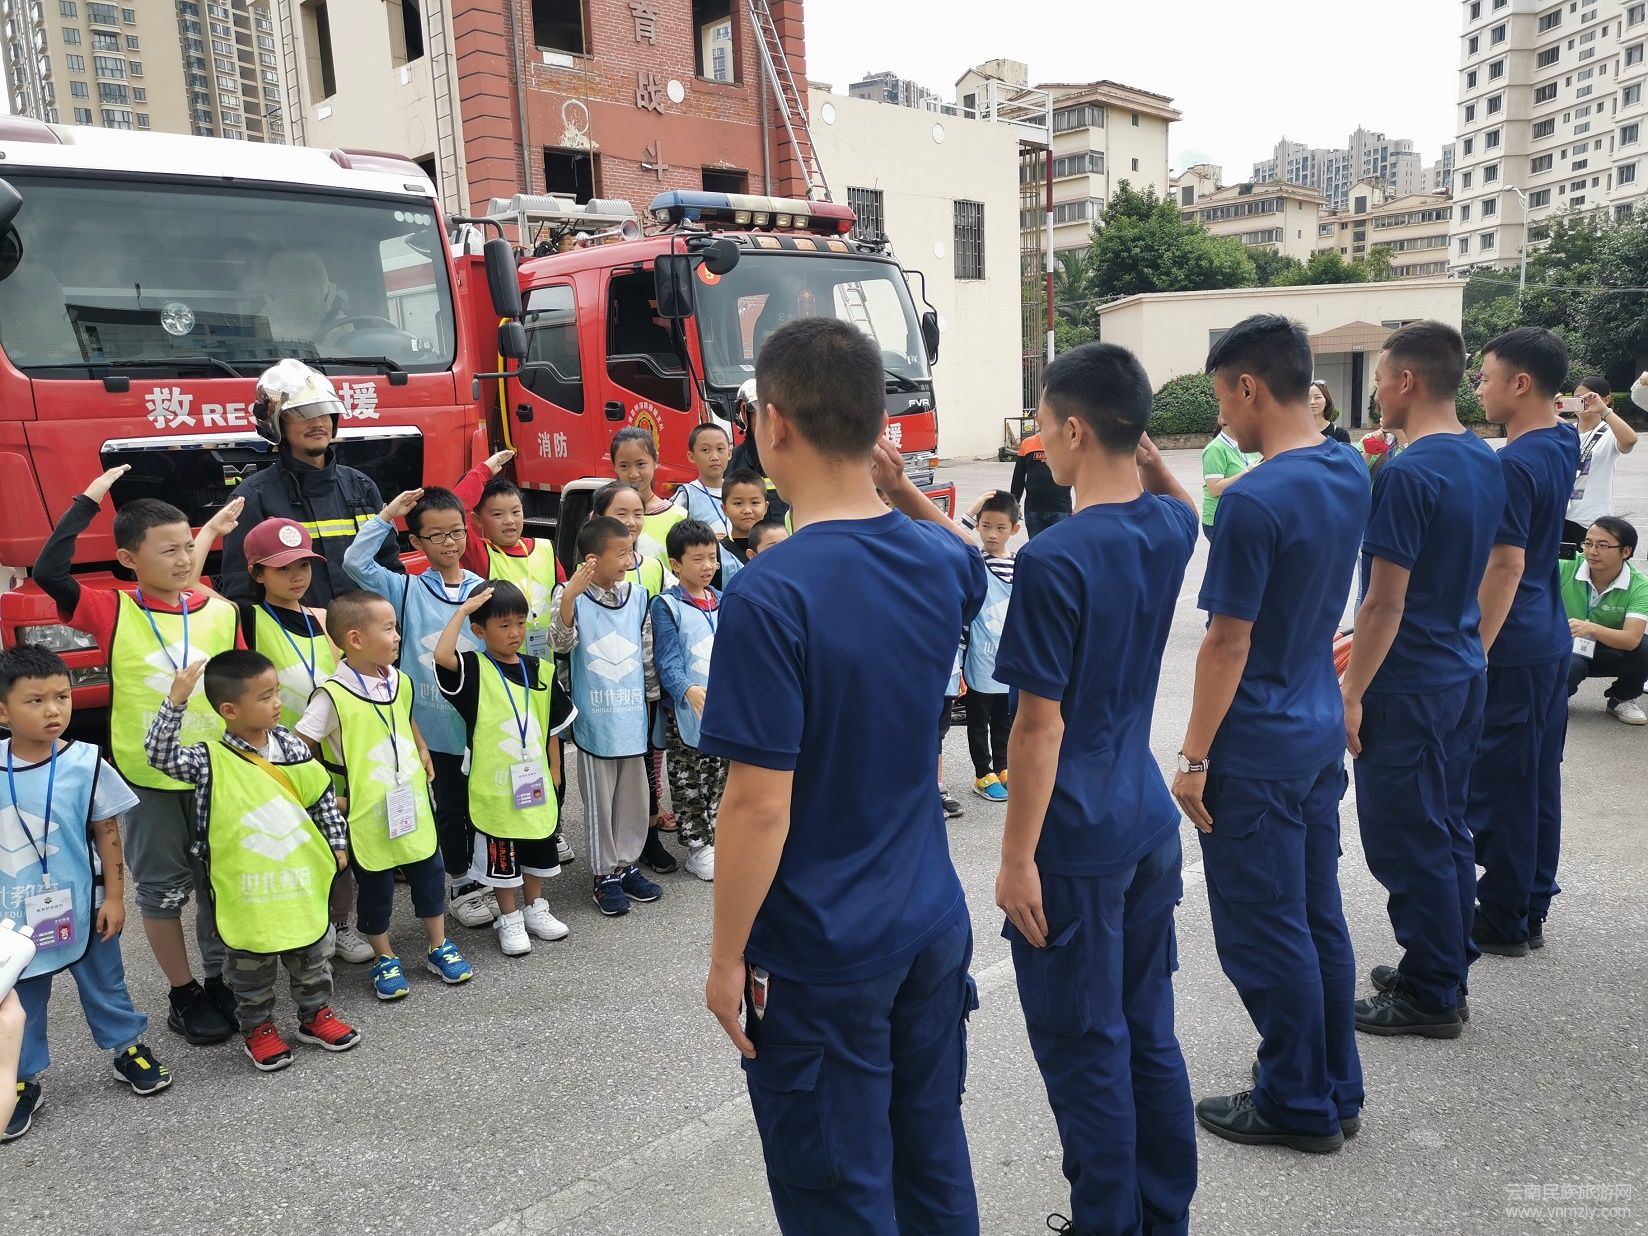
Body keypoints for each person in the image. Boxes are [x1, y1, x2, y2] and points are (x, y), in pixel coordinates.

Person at [701, 317, 986, 1234]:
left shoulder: (770, 591)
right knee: (930, 1156)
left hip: (824, 946)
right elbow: (973, 562)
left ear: (773, 424)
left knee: (837, 1187)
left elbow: (757, 805)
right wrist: (904, 494)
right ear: (877, 426)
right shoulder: (937, 560)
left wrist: (725, 957)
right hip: (928, 916)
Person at [993, 344, 1200, 1236]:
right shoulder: (1167, 530)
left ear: (1075, 430)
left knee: (1086, 1048)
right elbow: (1185, 507)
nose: (1040, 444)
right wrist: (1148, 458)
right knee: (1146, 1029)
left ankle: (1108, 1222)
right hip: (1143, 819)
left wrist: (1016, 861)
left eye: (1044, 428)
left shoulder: (1055, 558)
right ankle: (1162, 1213)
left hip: (1075, 839)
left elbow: (1038, 729)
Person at [1171, 314, 1369, 1155]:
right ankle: (1335, 1085)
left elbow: (1227, 642)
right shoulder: (1346, 467)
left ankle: (1295, 1101)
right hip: (1314, 727)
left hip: (1254, 746)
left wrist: (1193, 756)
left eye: (1222, 398)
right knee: (1317, 916)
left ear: (1249, 386)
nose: (1222, 415)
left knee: (1264, 930)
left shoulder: (1252, 500)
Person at [33, 466, 242, 1045]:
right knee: (162, 888)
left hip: (217, 770)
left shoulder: (221, 611)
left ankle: (221, 978)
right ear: (129, 559)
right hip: (148, 778)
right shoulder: (113, 609)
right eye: (167, 550)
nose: (182, 559)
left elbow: (241, 686)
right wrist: (87, 501)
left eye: (187, 547)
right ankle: (184, 991)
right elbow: (49, 571)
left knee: (219, 880)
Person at [1337, 322, 1504, 1040]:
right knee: (1444, 826)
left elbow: (1384, 601)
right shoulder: (1481, 457)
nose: (1376, 392)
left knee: (1408, 837)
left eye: (1379, 378)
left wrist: (1350, 693)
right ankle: (1443, 960)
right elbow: (1493, 564)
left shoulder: (1408, 473)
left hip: (1408, 684)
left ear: (1406, 381)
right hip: (1458, 669)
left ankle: (1433, 992)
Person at [146, 653, 360, 1071]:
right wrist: (176, 701)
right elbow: (161, 757)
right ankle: (258, 1028)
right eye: (265, 696)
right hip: (246, 889)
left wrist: (337, 843)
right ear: (229, 710)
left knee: (311, 954)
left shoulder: (292, 747)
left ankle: (315, 1015)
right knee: (250, 966)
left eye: (276, 691)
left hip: (298, 879)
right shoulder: (209, 759)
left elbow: (320, 796)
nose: (277, 702)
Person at [189, 513, 376, 967]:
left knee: (335, 840)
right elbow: (190, 585)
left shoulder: (324, 618)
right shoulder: (247, 617)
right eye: (283, 568)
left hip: (331, 757)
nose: (297, 576)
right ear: (256, 573)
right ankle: (289, 930)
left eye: (304, 565)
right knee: (286, 843)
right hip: (273, 760)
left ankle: (337, 925)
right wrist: (209, 533)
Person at [1, 646, 168, 1143]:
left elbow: (107, 832)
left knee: (106, 983)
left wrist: (115, 897)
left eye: (62, 697)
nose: (53, 710)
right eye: (35, 700)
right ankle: (20, 1077)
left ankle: (127, 1048)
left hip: (84, 904)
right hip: (13, 918)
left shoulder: (86, 762)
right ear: (3, 711)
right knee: (21, 997)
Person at [295, 590, 475, 999]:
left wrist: (422, 748)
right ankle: (385, 956)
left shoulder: (399, 679)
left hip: (410, 802)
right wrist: (324, 797)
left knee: (430, 873)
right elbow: (298, 747)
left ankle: (438, 945)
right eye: (389, 628)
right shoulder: (331, 694)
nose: (397, 636)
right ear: (355, 639)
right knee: (376, 888)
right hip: (367, 812)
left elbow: (404, 717)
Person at [1470, 327, 1580, 959]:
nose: (1478, 390)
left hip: (1512, 642)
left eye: (1485, 378)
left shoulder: (1511, 464)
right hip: (1549, 634)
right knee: (1537, 777)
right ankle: (1530, 901)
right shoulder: (1561, 439)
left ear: (1520, 382)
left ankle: (1504, 916)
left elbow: (1505, 565)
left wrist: (1476, 649)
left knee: (1501, 785)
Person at [344, 487, 495, 931]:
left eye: (457, 532)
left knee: (483, 802)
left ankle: (487, 877)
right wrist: (387, 514)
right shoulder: (405, 588)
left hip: (480, 723)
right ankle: (461, 883)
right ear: (416, 542)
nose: (450, 543)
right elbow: (355, 562)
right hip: (432, 727)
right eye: (437, 535)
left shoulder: (483, 589)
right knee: (448, 807)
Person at [434, 582, 574, 956]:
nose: (515, 633)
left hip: (535, 782)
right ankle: (509, 918)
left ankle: (535, 908)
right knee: (501, 854)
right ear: (479, 631)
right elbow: (443, 655)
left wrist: (556, 771)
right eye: (503, 625)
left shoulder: (540, 670)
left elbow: (552, 726)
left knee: (537, 845)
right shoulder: (473, 668)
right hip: (494, 786)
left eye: (520, 623)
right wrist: (463, 610)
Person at [448, 458, 575, 865]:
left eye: (516, 511)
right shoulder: (481, 554)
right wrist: (483, 471)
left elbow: (563, 599)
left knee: (549, 755)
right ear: (479, 521)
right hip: (498, 675)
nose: (509, 521)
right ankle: (507, 837)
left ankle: (550, 827)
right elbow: (454, 509)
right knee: (510, 755)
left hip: (540, 672)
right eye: (497, 514)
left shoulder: (545, 550)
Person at [218, 359, 403, 608]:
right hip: (297, 632)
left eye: (324, 413)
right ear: (276, 424)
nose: (317, 423)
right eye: (301, 414)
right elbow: (244, 593)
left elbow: (391, 571)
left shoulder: (362, 487)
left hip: (368, 630)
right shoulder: (253, 500)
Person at [551, 517, 664, 917]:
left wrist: (652, 700)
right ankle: (603, 874)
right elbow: (559, 643)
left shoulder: (637, 595)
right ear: (592, 560)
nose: (629, 560)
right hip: (595, 719)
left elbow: (646, 654)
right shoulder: (569, 595)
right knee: (600, 800)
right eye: (621, 553)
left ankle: (626, 864)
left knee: (632, 797)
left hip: (631, 715)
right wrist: (569, 597)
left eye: (630, 551)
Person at [588, 481, 674, 872]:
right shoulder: (587, 576)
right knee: (618, 774)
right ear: (598, 518)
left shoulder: (654, 567)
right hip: (608, 690)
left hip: (646, 686)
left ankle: (646, 839)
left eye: (638, 513)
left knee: (649, 765)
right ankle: (611, 858)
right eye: (621, 513)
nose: (632, 521)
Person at [649, 520, 727, 882]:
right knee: (689, 778)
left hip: (723, 706)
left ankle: (717, 838)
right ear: (675, 564)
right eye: (698, 559)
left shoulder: (723, 601)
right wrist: (685, 689)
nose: (708, 566)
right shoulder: (667, 605)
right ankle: (697, 847)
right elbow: (666, 659)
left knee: (720, 774)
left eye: (712, 557)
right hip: (685, 709)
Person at [957, 491, 1019, 802]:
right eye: (986, 526)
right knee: (979, 720)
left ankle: (1003, 767)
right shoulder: (973, 561)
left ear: (1014, 529)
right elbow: (952, 539)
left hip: (1008, 658)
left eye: (1000, 527)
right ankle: (983, 773)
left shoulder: (1021, 564)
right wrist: (971, 510)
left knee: (1004, 719)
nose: (992, 534)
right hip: (979, 657)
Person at [1563, 516, 1648, 724]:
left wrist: (1590, 628)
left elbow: (1631, 639)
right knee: (1571, 664)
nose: (1592, 551)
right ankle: (1557, 697)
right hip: (1567, 644)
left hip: (1609, 648)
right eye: (1588, 543)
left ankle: (1621, 698)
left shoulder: (1640, 585)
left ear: (1625, 552)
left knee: (1645, 647)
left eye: (1602, 546)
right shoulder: (1566, 565)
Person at [1562, 376, 1638, 548]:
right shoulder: (1565, 431)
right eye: (1577, 398)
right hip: (1559, 515)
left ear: (1605, 399)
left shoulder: (1610, 432)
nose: (1583, 402)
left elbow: (1630, 440)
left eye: (1589, 397)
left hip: (1590, 519)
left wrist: (1603, 410)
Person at [611, 427, 687, 559]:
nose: (633, 474)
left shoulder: (677, 517)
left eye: (641, 464)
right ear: (614, 466)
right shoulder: (603, 514)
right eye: (624, 466)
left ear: (656, 460)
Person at [1200, 412, 1260, 544]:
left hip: (1239, 516)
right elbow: (1214, 488)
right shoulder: (1215, 449)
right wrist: (1246, 472)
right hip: (1219, 519)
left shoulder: (1246, 446)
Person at [672, 423, 734, 537]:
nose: (714, 457)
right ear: (691, 457)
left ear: (729, 453)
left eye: (720, 449)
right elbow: (673, 535)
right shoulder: (687, 495)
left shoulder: (737, 490)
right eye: (705, 450)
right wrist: (704, 539)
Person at [1010, 429, 1073, 538]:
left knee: (1060, 546)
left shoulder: (1068, 442)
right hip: (1033, 510)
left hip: (1061, 508)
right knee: (1036, 546)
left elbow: (1078, 474)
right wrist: (1014, 504)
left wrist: (1081, 505)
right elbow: (1018, 477)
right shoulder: (1027, 443)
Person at [719, 470, 771, 571]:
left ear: (766, 507)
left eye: (755, 502)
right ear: (724, 509)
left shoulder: (776, 547)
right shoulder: (718, 552)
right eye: (738, 503)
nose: (747, 510)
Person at [1311, 380, 1352, 444]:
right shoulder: (1296, 434)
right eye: (1307, 398)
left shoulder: (1340, 434)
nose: (1312, 402)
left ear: (1326, 401)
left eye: (1317, 397)